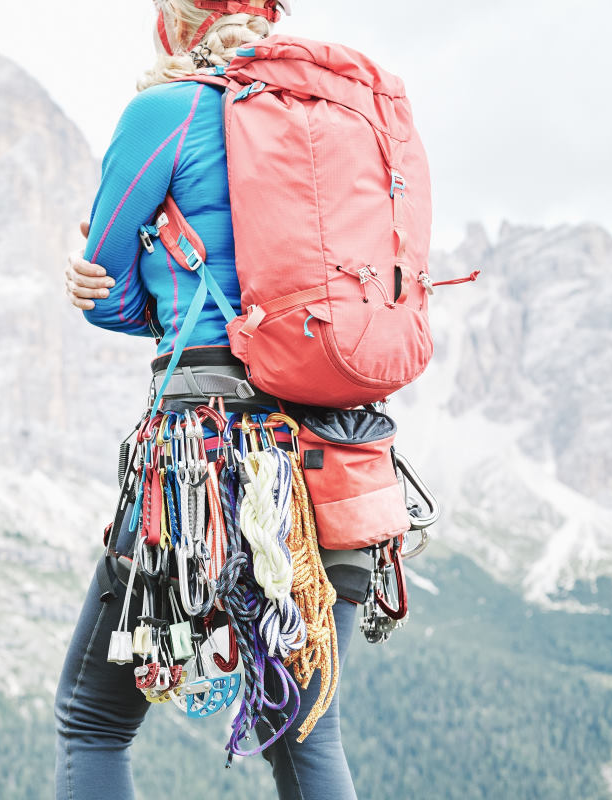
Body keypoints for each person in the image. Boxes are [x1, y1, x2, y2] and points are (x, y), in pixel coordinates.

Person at [54, 2, 375, 798]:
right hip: (332, 453)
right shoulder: (346, 121)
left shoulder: (167, 110)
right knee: (304, 734)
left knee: (92, 721)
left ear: (177, 24)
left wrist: (104, 280)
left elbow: (109, 296)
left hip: (201, 459)